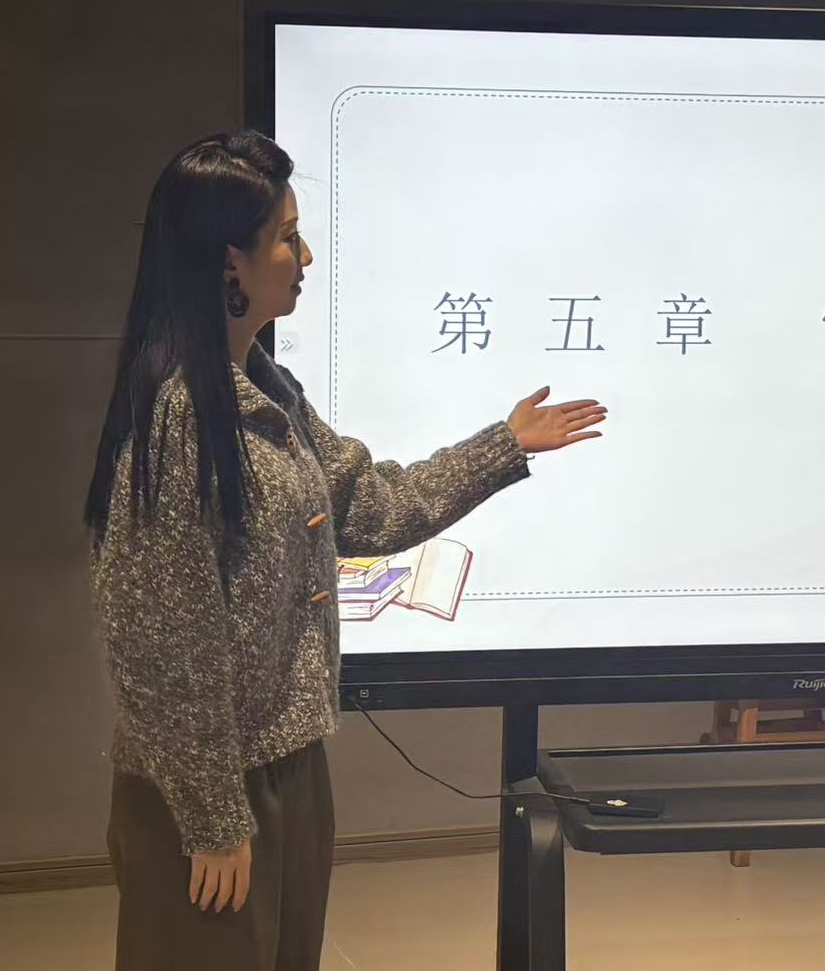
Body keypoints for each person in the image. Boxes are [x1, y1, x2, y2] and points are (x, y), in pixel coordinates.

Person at [83, 131, 605, 970]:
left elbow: (367, 508)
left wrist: (503, 446)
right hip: (208, 783)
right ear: (229, 262)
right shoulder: (179, 415)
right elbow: (159, 641)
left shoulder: (264, 389)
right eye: (286, 238)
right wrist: (211, 819)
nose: (304, 258)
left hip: (285, 764)